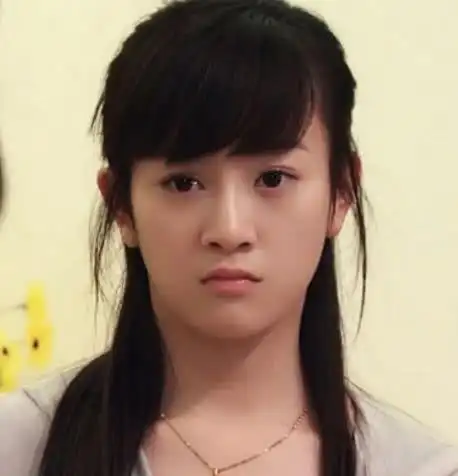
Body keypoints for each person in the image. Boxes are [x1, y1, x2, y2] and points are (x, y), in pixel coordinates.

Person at [1, 0, 457, 475]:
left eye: (273, 179)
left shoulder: (420, 467)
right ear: (121, 204)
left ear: (341, 192)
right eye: (184, 183)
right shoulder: (19, 446)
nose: (229, 230)